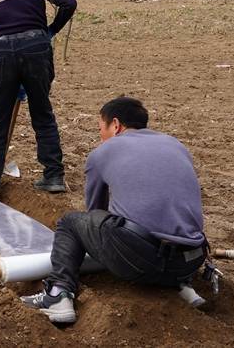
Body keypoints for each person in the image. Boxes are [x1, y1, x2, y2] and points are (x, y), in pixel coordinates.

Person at [20, 97, 207, 324]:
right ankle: (182, 286)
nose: (101, 136)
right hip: (191, 260)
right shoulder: (176, 144)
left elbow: (95, 214)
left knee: (71, 223)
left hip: (141, 259)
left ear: (116, 125)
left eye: (101, 128)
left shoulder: (104, 151)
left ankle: (58, 295)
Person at [0, 0, 76, 197]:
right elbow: (69, 3)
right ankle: (53, 176)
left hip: (1, 52)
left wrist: (9, 70)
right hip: (37, 47)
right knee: (42, 113)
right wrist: (49, 30)